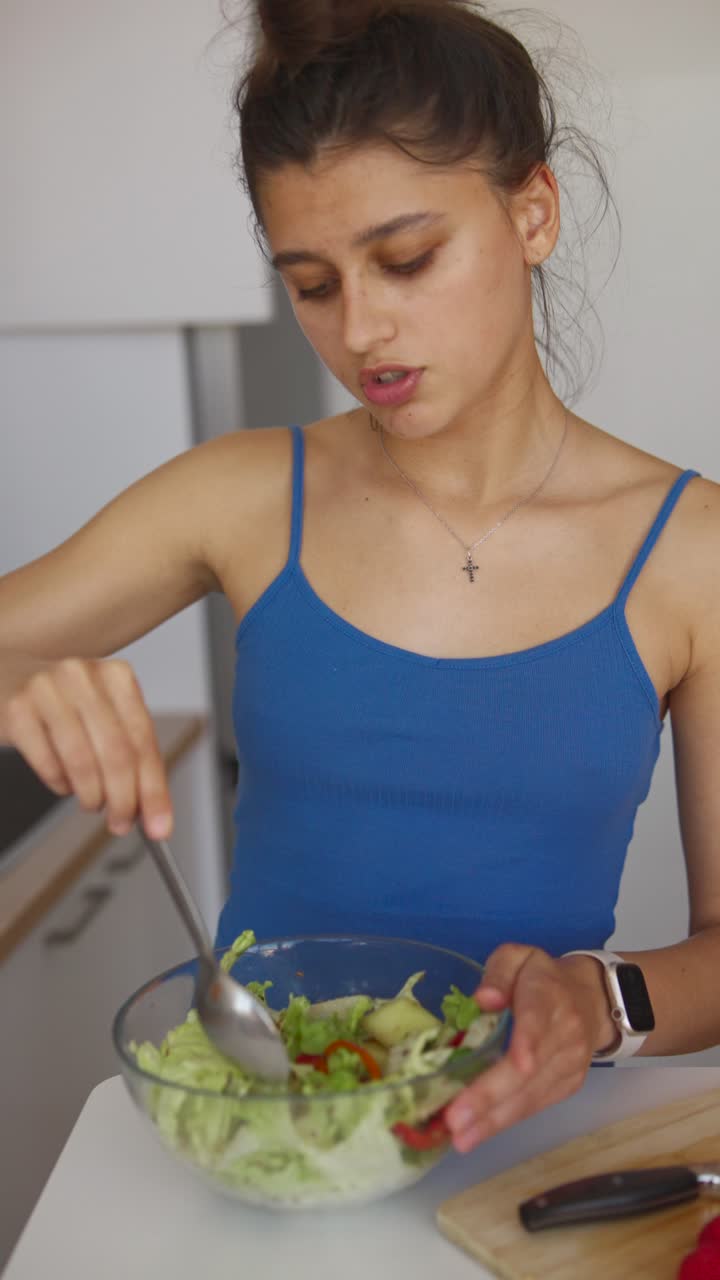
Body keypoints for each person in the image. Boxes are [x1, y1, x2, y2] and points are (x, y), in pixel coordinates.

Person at [1, 0, 719, 1155]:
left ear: (532, 211)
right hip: (255, 1133)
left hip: (525, 1149)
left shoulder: (693, 552)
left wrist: (603, 998)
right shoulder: (240, 495)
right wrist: (14, 680)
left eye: (406, 258)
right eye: (313, 283)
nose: (364, 330)